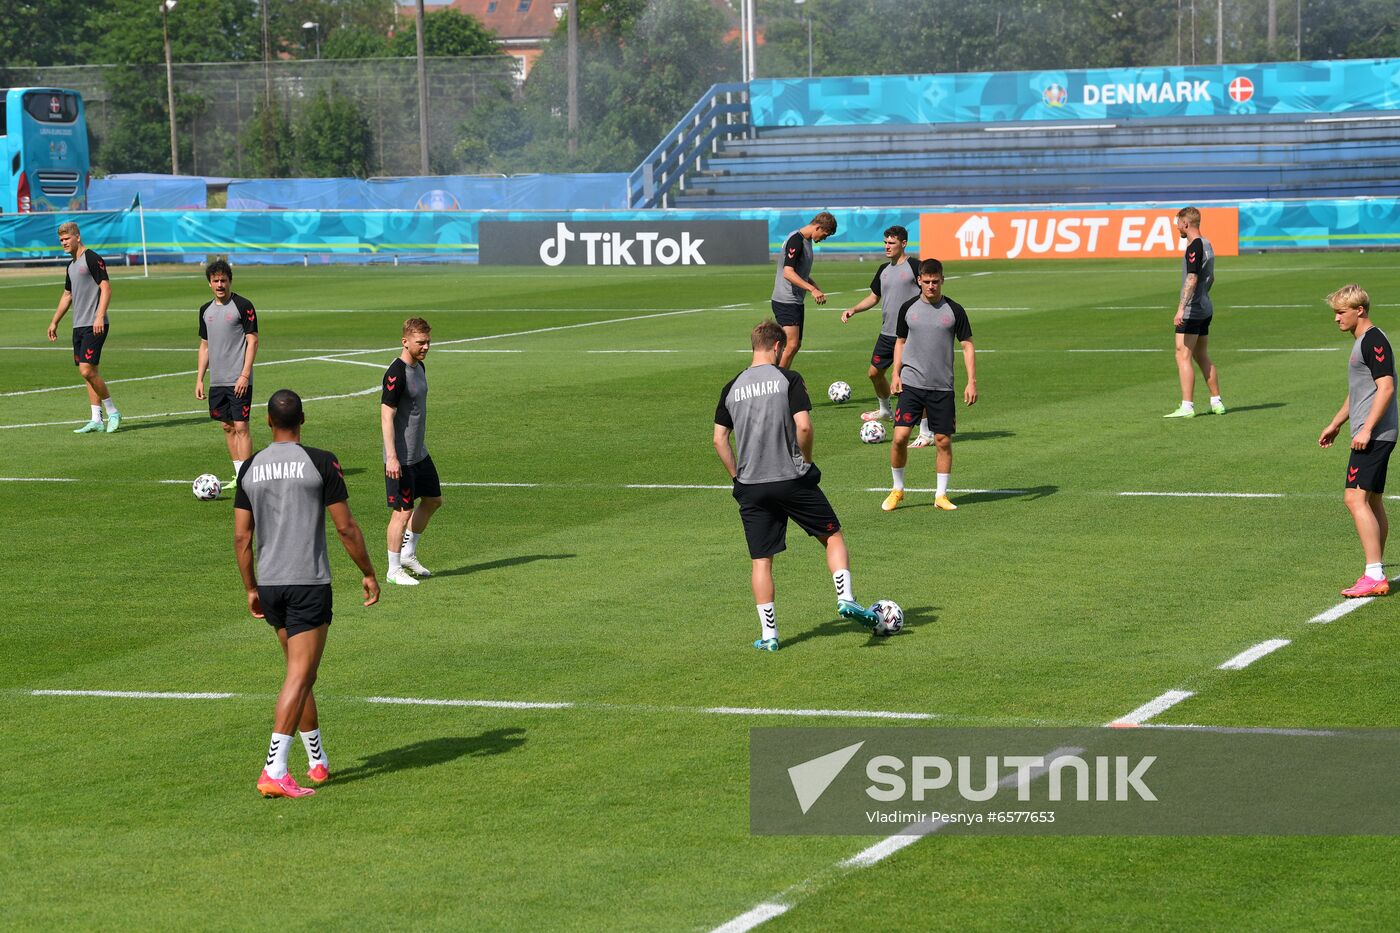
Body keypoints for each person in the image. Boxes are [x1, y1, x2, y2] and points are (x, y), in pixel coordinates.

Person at [234, 389, 379, 798]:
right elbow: (346, 527)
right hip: (308, 583)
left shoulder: (250, 467)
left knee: (301, 674)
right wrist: (368, 572)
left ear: (266, 421)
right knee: (300, 675)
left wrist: (251, 588)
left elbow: (242, 537)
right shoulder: (320, 461)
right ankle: (274, 769)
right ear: (304, 419)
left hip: (271, 584)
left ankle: (317, 761)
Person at [714, 320, 879, 651]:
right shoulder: (787, 379)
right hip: (791, 479)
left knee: (762, 561)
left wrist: (737, 477)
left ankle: (770, 635)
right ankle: (845, 597)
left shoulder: (731, 387)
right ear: (777, 347)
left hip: (752, 485)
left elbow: (719, 439)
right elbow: (803, 427)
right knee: (831, 536)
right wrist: (804, 461)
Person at [1318, 284, 1396, 598]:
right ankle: (1375, 569)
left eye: (1341, 312)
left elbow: (1386, 388)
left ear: (1359, 310)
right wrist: (1336, 424)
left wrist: (1365, 430)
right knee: (1372, 500)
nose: (1336, 319)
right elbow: (1359, 394)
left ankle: (1374, 573)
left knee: (1354, 499)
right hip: (1372, 432)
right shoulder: (1363, 341)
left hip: (1373, 435)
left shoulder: (1373, 340)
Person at [882, 259, 977, 512]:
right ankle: (897, 489)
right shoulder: (908, 308)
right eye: (927, 282)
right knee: (900, 437)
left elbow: (967, 344)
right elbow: (900, 341)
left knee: (943, 441)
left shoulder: (954, 310)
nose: (931, 286)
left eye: (936, 282)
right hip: (912, 383)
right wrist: (895, 374)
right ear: (919, 282)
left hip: (942, 386)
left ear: (942, 280)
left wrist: (971, 381)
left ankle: (941, 495)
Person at [382, 317, 443, 587]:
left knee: (433, 500)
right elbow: (386, 415)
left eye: (428, 341)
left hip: (419, 453)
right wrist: (392, 456)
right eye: (420, 342)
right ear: (405, 341)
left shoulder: (420, 367)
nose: (426, 346)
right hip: (402, 458)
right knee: (402, 512)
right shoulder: (396, 374)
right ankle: (393, 569)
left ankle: (408, 553)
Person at [842, 225, 920, 426]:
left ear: (903, 244)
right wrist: (854, 309)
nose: (887, 246)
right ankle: (885, 411)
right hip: (887, 333)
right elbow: (874, 297)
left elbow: (930, 294)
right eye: (885, 242)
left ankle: (925, 430)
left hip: (909, 335)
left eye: (891, 243)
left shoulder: (915, 267)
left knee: (911, 382)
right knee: (874, 373)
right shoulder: (883, 269)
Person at [47, 221, 121, 433]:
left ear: (77, 237)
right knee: (89, 373)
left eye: (66, 238)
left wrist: (99, 316)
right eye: (61, 240)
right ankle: (96, 419)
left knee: (86, 370)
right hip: (78, 326)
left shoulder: (91, 258)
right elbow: (67, 295)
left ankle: (113, 411)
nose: (63, 243)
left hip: (94, 324)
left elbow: (106, 288)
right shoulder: (70, 266)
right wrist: (54, 321)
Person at [195, 260, 259, 485]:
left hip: (239, 379)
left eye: (223, 280)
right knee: (227, 426)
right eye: (215, 281)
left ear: (230, 281)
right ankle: (239, 474)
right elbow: (205, 346)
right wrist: (200, 379)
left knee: (241, 426)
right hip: (217, 380)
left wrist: (245, 374)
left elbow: (253, 341)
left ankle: (248, 478)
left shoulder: (244, 306)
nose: (220, 284)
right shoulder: (205, 311)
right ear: (209, 284)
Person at [1164, 206, 1226, 418]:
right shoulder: (1208, 244)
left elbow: (1191, 279)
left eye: (1178, 224)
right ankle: (1217, 402)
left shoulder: (1194, 246)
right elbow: (1212, 277)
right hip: (1206, 306)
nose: (1177, 228)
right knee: (1201, 355)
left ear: (1186, 224)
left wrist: (1182, 307)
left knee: (1182, 355)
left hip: (1192, 309)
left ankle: (1187, 406)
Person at [770, 211, 837, 369]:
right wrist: (812, 289)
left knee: (795, 344)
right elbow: (788, 272)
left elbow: (800, 272)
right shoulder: (796, 240)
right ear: (818, 227)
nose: (823, 239)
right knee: (791, 345)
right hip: (785, 299)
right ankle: (778, 381)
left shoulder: (807, 241)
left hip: (795, 301)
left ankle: (776, 376)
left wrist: (814, 285)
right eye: (825, 235)